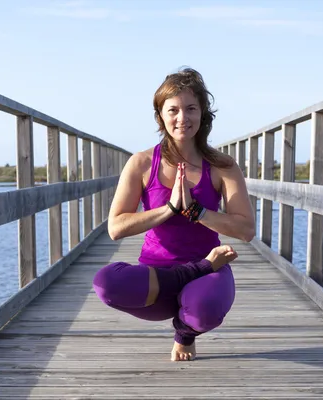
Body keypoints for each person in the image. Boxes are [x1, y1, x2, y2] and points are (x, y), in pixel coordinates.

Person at [92, 67, 255, 362]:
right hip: (158, 280)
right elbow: (116, 227)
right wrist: (169, 209)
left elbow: (245, 230)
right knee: (106, 283)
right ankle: (195, 274)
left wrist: (196, 210)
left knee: (204, 310)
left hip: (207, 276)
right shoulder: (141, 163)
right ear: (160, 116)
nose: (183, 118)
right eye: (174, 110)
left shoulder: (222, 166)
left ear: (203, 113)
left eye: (191, 108)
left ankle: (185, 331)